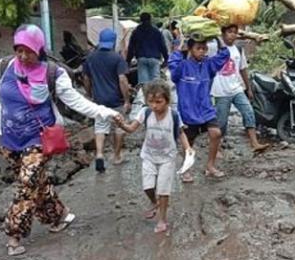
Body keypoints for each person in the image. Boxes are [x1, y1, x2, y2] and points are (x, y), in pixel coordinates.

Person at [0, 24, 119, 256]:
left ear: (38, 49)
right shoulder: (4, 66)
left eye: (28, 50)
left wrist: (105, 112)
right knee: (36, 183)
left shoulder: (53, 73)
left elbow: (76, 102)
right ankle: (58, 215)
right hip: (9, 141)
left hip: (38, 140)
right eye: (18, 49)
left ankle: (13, 234)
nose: (22, 55)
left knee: (26, 184)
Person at [114, 80, 192, 234]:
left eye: (159, 102)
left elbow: (181, 133)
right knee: (148, 186)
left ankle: (162, 219)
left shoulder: (174, 115)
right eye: (151, 102)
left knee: (163, 189)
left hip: (167, 157)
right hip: (148, 155)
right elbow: (131, 129)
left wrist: (188, 148)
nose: (155, 106)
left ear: (167, 101)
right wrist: (122, 124)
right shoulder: (145, 112)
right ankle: (154, 202)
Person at [169, 37, 230, 182]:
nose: (202, 51)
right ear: (190, 50)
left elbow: (224, 55)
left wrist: (217, 37)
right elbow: (172, 64)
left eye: (204, 48)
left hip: (206, 108)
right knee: (188, 143)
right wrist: (181, 45)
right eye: (198, 48)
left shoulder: (208, 64)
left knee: (216, 133)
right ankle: (186, 169)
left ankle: (210, 166)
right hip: (188, 110)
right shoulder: (182, 66)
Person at [210, 25, 269, 152]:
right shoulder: (215, 49)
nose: (232, 35)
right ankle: (217, 148)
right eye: (229, 32)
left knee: (248, 112)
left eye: (235, 32)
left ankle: (254, 143)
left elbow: (243, 69)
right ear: (223, 33)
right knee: (222, 121)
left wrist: (248, 88)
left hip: (236, 88)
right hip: (220, 91)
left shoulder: (238, 49)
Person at [82, 28, 132, 172]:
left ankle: (99, 154)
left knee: (100, 128)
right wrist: (127, 100)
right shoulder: (117, 58)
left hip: (99, 100)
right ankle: (116, 156)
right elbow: (122, 80)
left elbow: (86, 78)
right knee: (119, 127)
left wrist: (90, 94)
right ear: (113, 41)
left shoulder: (90, 58)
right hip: (115, 100)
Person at [126, 12, 169, 86]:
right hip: (154, 59)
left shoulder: (136, 32)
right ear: (150, 20)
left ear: (140, 20)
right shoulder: (156, 32)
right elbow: (163, 46)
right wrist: (166, 59)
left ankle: (145, 96)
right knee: (155, 84)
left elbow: (131, 48)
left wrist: (128, 61)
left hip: (141, 58)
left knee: (144, 84)